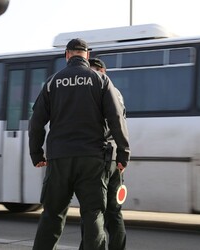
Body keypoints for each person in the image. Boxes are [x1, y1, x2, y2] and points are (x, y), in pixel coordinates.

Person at [29, 38, 130, 250]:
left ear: (67, 55)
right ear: (87, 54)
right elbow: (116, 118)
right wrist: (123, 152)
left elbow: (36, 122)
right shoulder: (101, 81)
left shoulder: (52, 82)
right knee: (93, 213)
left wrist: (36, 154)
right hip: (92, 159)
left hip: (59, 159)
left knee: (52, 215)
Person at [79, 58, 127, 250]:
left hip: (98, 157)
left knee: (91, 210)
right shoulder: (117, 93)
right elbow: (120, 124)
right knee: (114, 212)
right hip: (115, 158)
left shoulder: (93, 92)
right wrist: (124, 154)